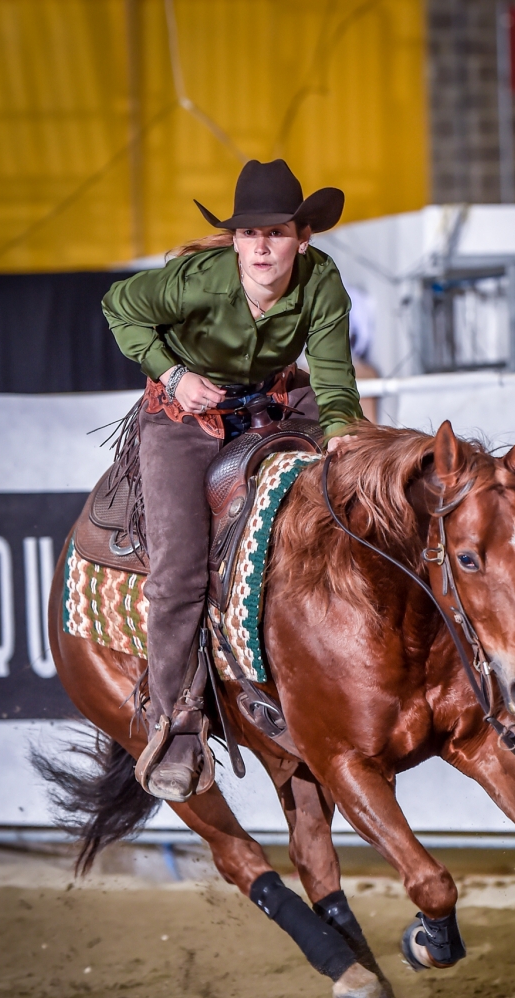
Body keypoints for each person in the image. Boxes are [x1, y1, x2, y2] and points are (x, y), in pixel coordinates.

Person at [102, 159, 363, 801]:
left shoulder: (322, 281)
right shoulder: (194, 281)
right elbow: (119, 307)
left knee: (350, 501)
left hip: (276, 401)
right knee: (180, 568)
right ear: (237, 240)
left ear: (303, 237)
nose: (262, 247)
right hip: (185, 416)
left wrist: (346, 441)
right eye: (250, 235)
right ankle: (176, 721)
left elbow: (333, 384)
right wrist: (171, 375)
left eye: (276, 232)